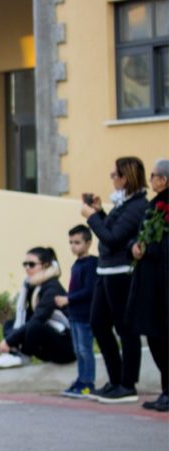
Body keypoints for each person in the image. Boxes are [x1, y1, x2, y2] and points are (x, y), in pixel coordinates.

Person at [81, 156, 149, 404]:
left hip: (121, 273)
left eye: (114, 174)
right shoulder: (125, 204)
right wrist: (99, 211)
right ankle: (115, 379)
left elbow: (112, 238)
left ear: (125, 177)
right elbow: (113, 228)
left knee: (125, 329)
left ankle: (127, 384)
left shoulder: (138, 205)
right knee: (98, 323)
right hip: (105, 271)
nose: (111, 178)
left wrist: (91, 217)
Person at [126, 158, 169, 412]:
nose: (151, 180)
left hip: (161, 283)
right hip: (150, 283)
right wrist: (135, 245)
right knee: (156, 338)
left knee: (163, 337)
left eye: (153, 175)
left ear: (163, 179)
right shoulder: (154, 205)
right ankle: (166, 390)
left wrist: (147, 250)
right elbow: (142, 233)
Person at [0, 247, 75, 368]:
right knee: (9, 324)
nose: (27, 268)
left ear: (45, 265)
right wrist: (11, 338)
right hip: (51, 339)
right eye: (25, 264)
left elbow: (39, 318)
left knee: (34, 326)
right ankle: (14, 353)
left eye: (31, 264)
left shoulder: (52, 288)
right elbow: (26, 316)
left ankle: (23, 355)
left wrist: (9, 340)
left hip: (67, 347)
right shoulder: (33, 285)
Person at [55, 225, 99, 397]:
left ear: (88, 243)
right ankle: (81, 379)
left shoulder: (91, 264)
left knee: (85, 349)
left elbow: (89, 290)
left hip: (85, 315)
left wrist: (69, 299)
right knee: (78, 350)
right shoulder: (76, 264)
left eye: (77, 242)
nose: (74, 246)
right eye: (71, 243)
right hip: (74, 314)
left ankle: (88, 382)